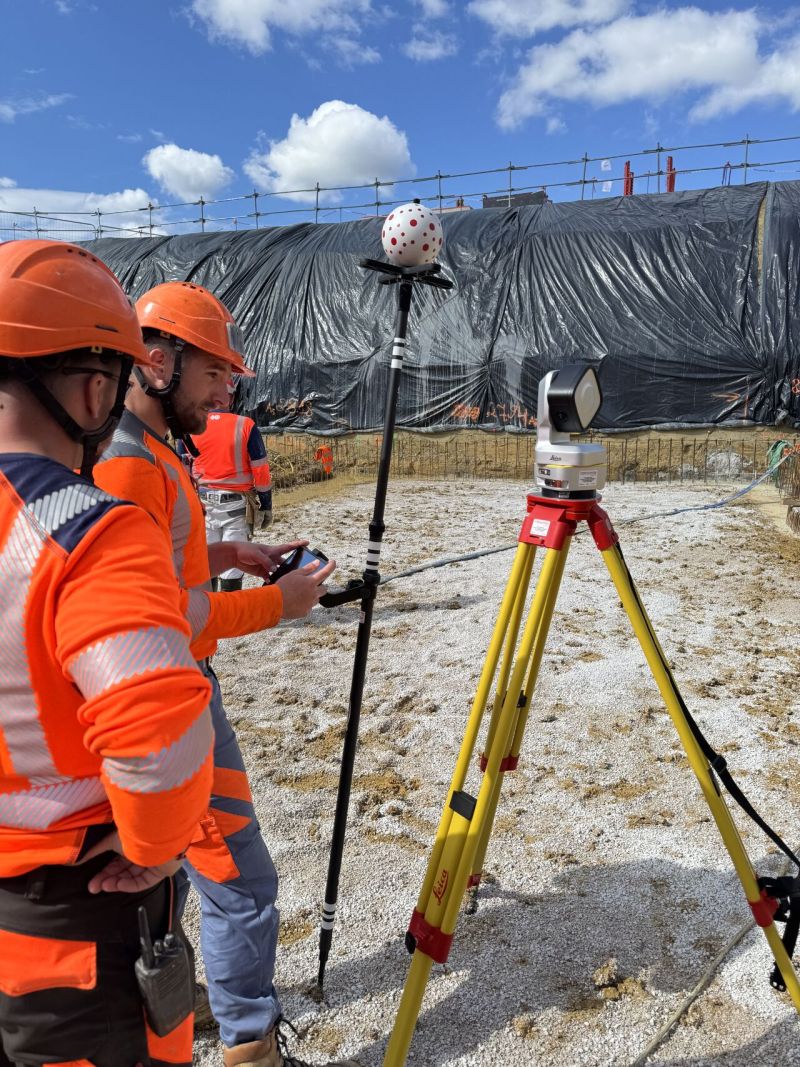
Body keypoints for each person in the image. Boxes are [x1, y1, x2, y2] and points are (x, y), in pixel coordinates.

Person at [93, 281, 354, 1067]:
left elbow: (161, 569)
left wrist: (228, 556)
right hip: (172, 705)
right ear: (159, 362)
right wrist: (281, 602)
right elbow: (169, 616)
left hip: (177, 697)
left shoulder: (147, 454)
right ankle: (249, 1046)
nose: (227, 390)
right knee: (240, 878)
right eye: (215, 374)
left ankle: (216, 1006)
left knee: (195, 874)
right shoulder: (129, 468)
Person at [0, 240, 214, 1067]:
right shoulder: (86, 528)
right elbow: (158, 741)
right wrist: (155, 841)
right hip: (70, 922)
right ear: (95, 389)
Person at [182, 386, 274, 592]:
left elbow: (182, 467)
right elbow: (260, 469)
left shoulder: (190, 426)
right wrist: (266, 504)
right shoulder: (245, 425)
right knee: (233, 561)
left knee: (208, 560)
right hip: (235, 505)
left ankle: (210, 613)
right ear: (230, 397)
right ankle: (230, 615)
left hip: (202, 504)